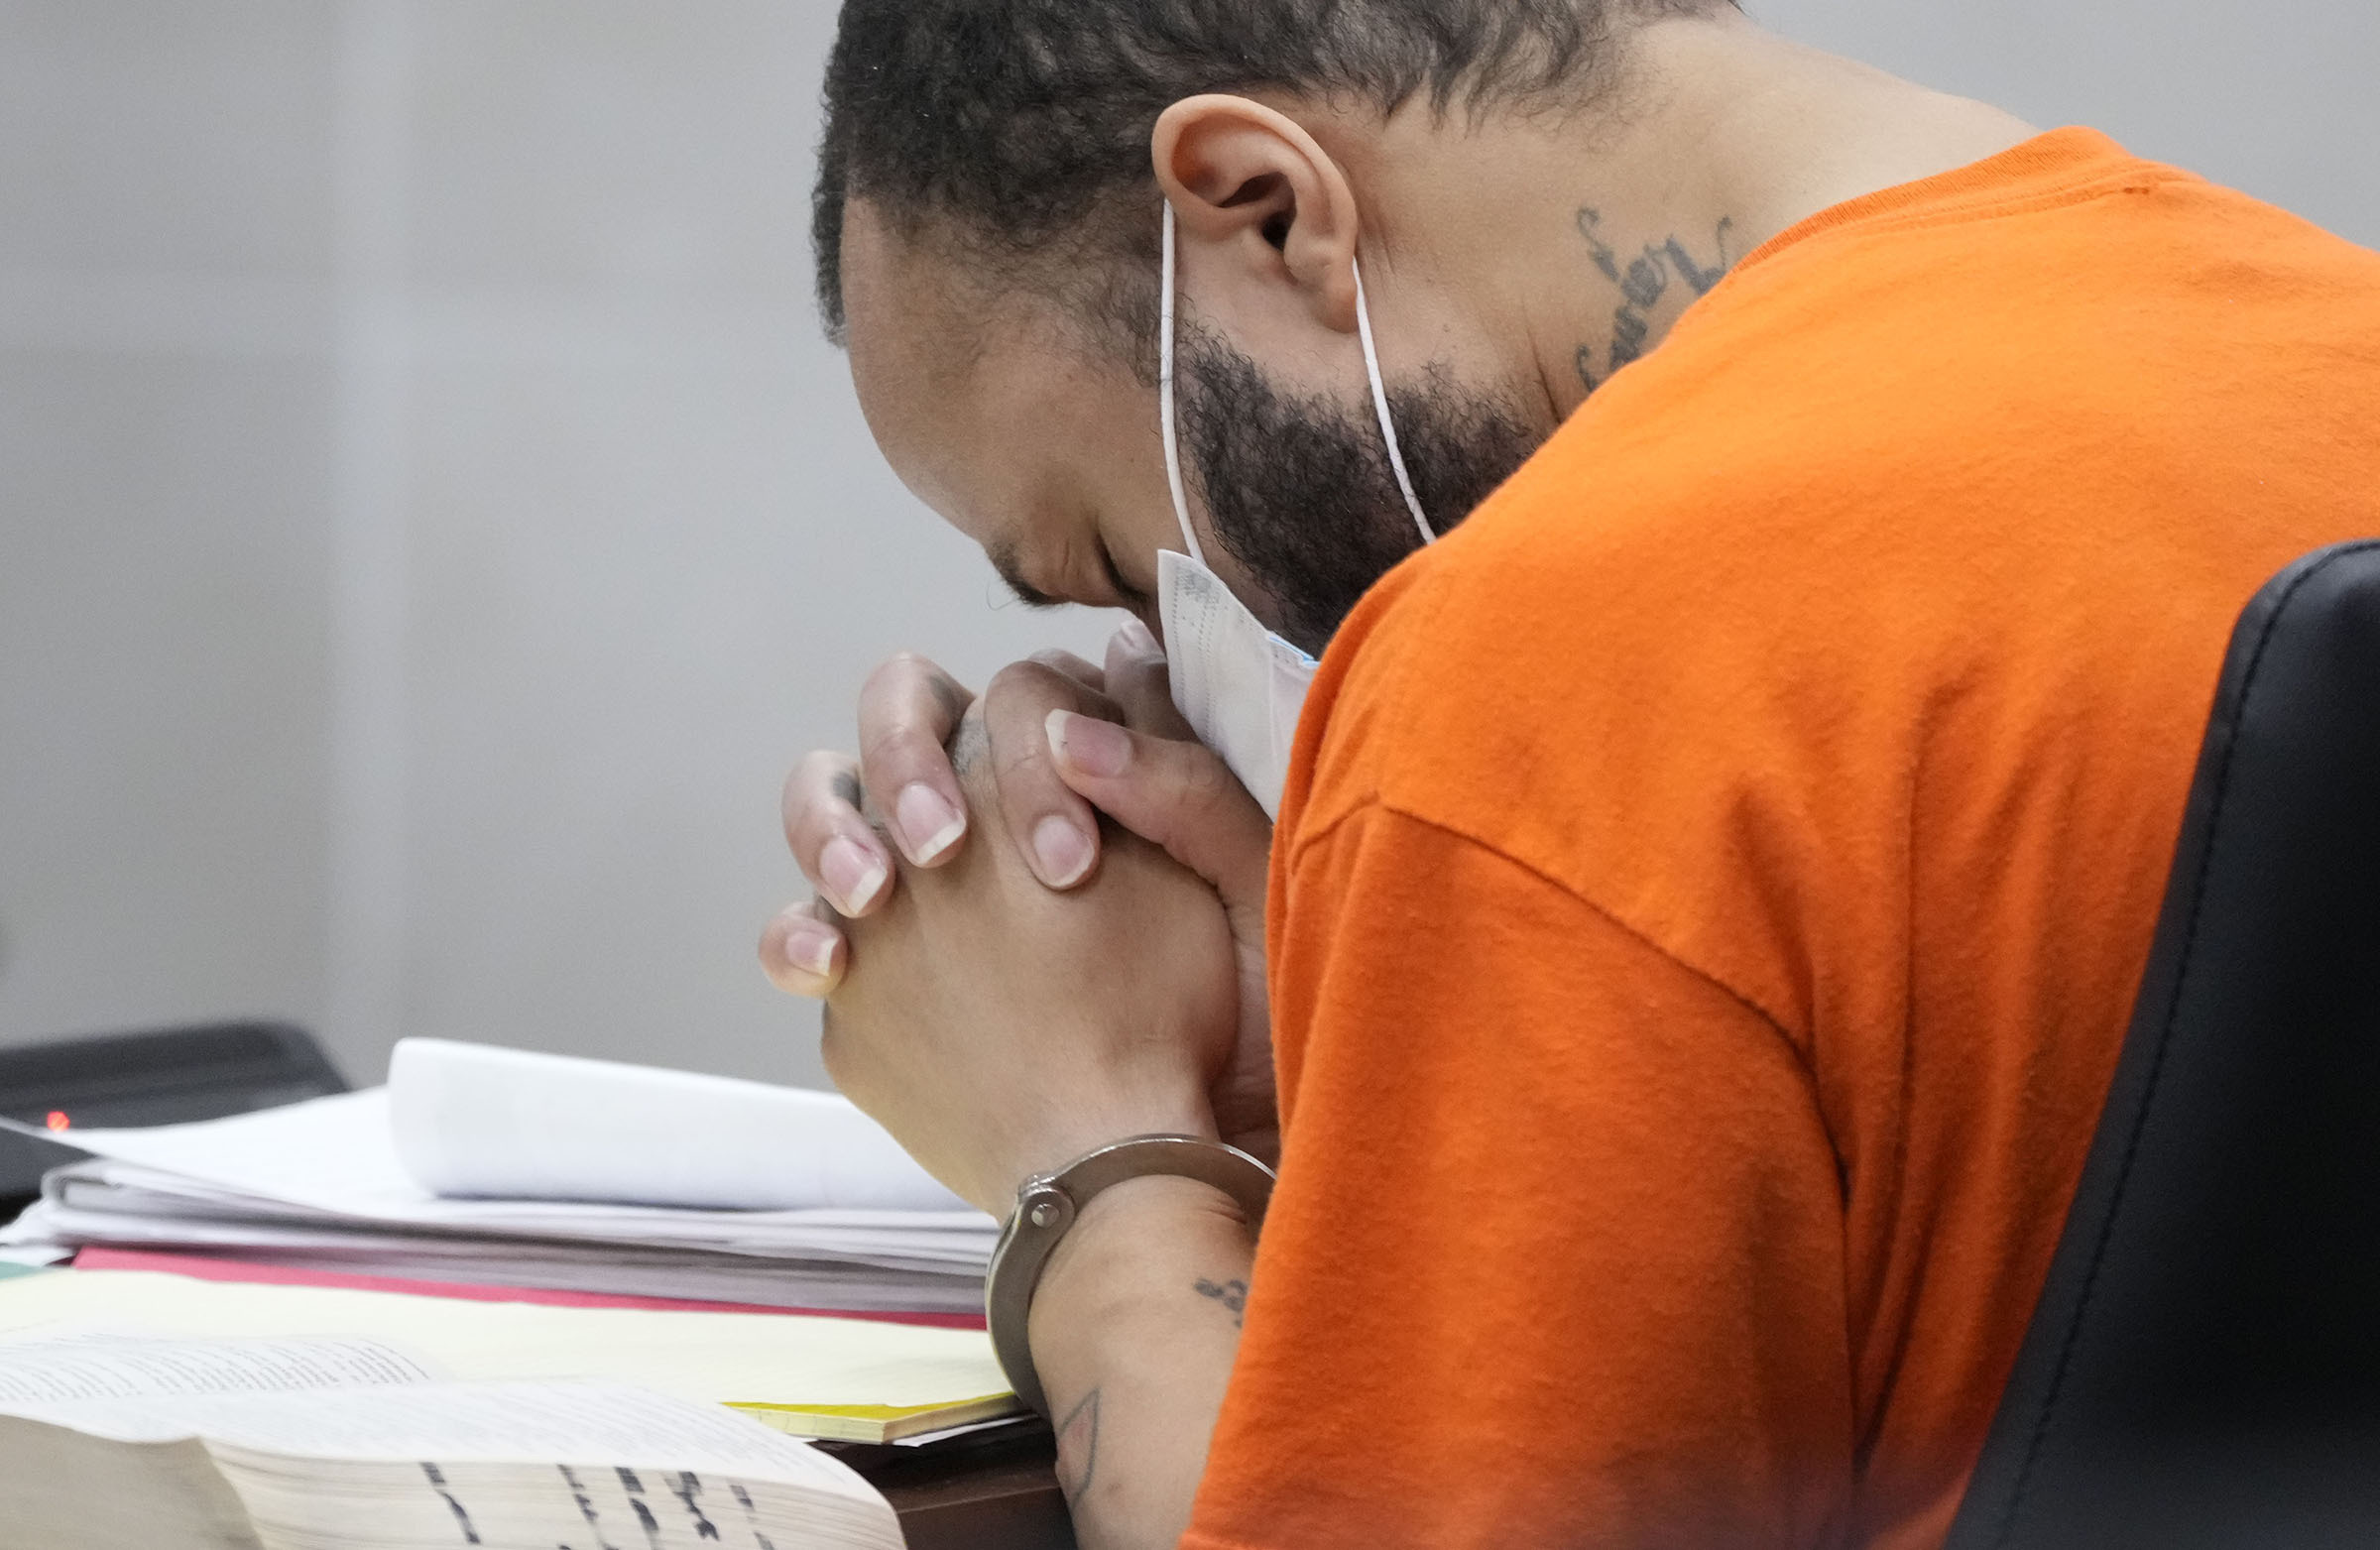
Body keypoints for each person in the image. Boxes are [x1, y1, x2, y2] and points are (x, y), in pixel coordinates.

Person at [758, 1, 2380, 1545]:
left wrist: (1091, 1159)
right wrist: (1384, 1003)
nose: (1171, 662)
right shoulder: (2333, 352)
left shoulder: (1557, 669)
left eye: (1121, 561)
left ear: (1266, 212)